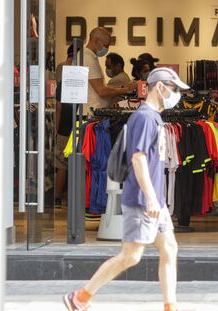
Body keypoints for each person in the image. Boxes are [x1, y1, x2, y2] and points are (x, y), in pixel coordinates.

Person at [63, 67, 190, 311]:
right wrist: (152, 198)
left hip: (154, 201)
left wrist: (157, 200)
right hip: (143, 200)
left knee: (169, 248)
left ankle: (170, 305)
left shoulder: (154, 118)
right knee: (131, 256)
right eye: (173, 89)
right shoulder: (144, 118)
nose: (176, 95)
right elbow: (138, 158)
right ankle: (81, 297)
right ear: (161, 87)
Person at [82, 27, 136, 115]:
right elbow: (101, 91)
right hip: (91, 113)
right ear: (97, 41)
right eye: (106, 46)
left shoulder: (90, 57)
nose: (107, 49)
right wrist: (126, 90)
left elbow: (101, 87)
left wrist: (123, 88)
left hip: (94, 111)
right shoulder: (87, 58)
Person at [54, 44, 79, 206]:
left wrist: (56, 129)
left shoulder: (63, 82)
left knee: (61, 162)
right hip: (80, 124)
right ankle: (75, 197)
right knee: (78, 161)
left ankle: (56, 196)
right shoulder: (83, 80)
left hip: (64, 126)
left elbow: (58, 107)